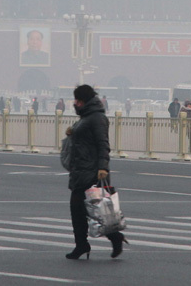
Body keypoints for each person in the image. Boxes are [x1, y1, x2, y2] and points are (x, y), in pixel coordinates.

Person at [64, 83, 127, 260]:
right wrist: (72, 133)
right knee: (84, 209)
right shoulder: (86, 117)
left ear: (84, 101)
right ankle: (87, 243)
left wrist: (102, 167)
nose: (75, 103)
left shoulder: (97, 118)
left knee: (93, 209)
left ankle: (95, 241)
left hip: (92, 171)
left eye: (77, 100)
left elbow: (103, 144)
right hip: (80, 170)